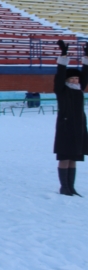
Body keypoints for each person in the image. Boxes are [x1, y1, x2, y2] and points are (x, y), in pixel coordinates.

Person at [54, 40, 88, 196]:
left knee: (74, 157)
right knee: (65, 156)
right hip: (65, 127)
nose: (75, 81)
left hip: (79, 127)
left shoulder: (79, 90)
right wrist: (63, 57)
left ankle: (71, 186)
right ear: (67, 80)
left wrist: (86, 57)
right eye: (72, 79)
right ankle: (64, 186)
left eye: (77, 79)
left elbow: (86, 74)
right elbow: (60, 75)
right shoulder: (61, 90)